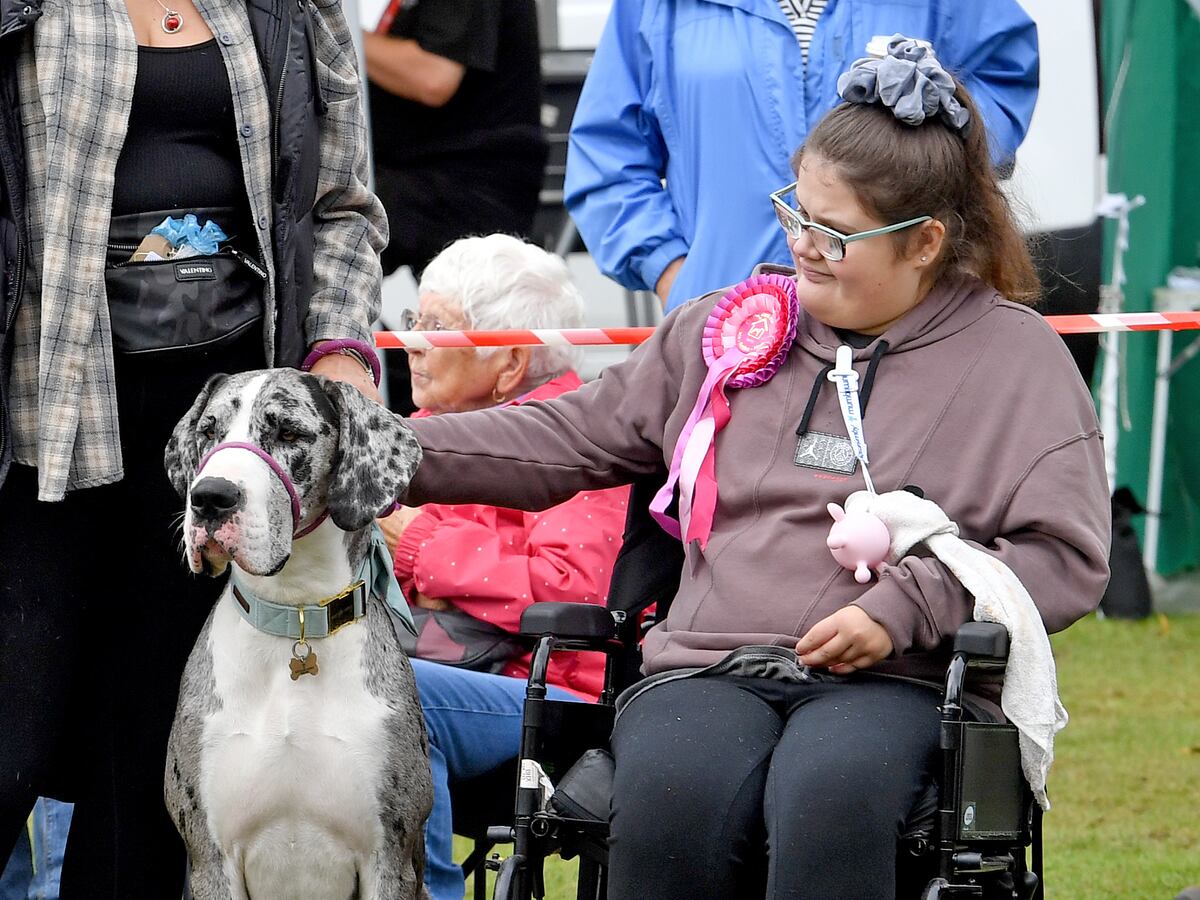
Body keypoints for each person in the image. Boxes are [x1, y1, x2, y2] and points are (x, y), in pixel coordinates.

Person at [397, 40, 1110, 897]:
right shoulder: (731, 325)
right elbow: (567, 438)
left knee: (832, 796)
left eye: (835, 233)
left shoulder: (1015, 357)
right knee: (670, 800)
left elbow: (1063, 556)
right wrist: (384, 453)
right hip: (710, 664)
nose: (803, 245)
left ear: (925, 241)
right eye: (795, 212)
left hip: (898, 679)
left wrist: (907, 605)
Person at [0, 1, 386, 896]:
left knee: (145, 781)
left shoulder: (289, 7)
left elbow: (340, 204)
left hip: (220, 444)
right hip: (36, 428)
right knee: (10, 753)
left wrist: (338, 351)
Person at [374, 234, 629, 900]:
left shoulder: (581, 438)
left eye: (439, 327)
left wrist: (419, 547)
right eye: (414, 321)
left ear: (512, 361)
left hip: (554, 692)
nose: (415, 343)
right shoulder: (417, 432)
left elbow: (570, 590)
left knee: (386, 696)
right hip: (454, 667)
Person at [564, 0, 1040, 312]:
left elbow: (997, 86)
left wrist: (933, 171)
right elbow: (607, 155)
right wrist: (674, 273)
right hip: (729, 323)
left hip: (899, 322)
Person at [362, 0, 549, 414]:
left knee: (331, 241)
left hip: (464, 178)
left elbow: (434, 76)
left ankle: (381, 396)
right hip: (427, 172)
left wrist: (338, 39)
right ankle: (396, 395)